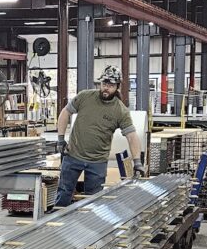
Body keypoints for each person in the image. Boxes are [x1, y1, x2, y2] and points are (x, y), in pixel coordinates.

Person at [54, 65, 144, 207]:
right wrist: (60, 139)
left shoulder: (120, 111)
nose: (106, 88)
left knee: (94, 202)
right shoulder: (85, 96)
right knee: (63, 194)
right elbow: (65, 113)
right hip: (73, 156)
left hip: (97, 162)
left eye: (111, 85)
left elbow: (132, 136)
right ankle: (58, 219)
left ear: (117, 87)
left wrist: (137, 162)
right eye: (104, 84)